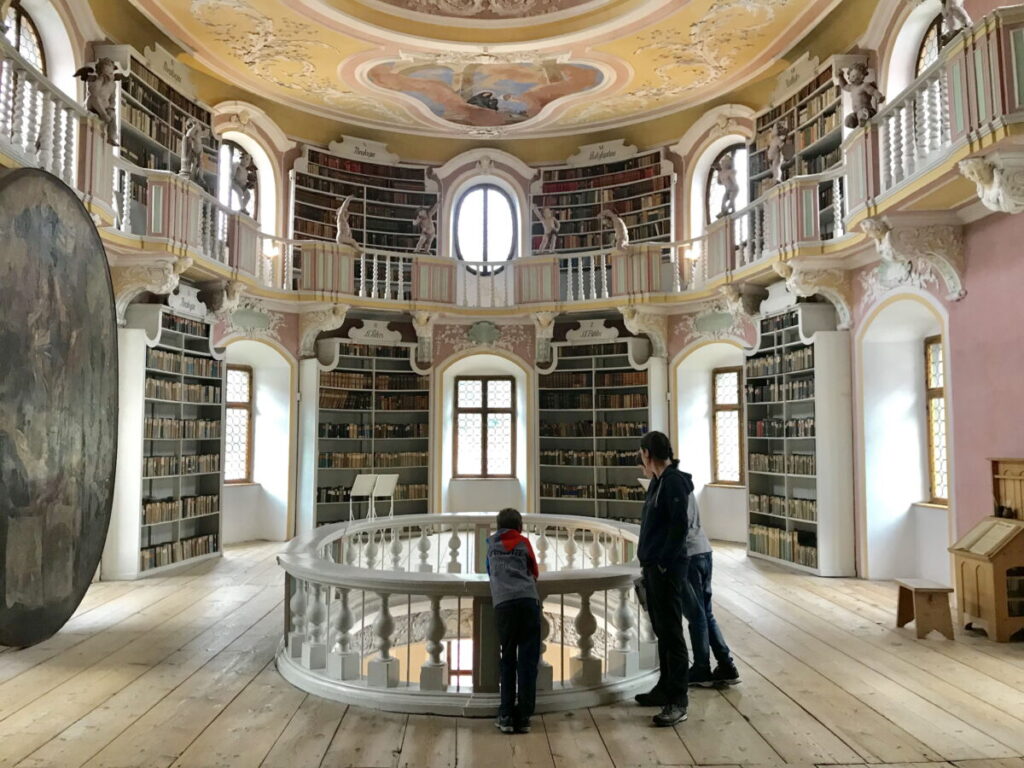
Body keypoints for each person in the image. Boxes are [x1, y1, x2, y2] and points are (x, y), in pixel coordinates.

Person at [635, 431, 691, 727]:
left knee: (671, 633)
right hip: (654, 567)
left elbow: (678, 526)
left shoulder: (673, 482)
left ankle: (678, 700)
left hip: (665, 570)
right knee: (661, 631)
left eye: (641, 454)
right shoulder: (658, 482)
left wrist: (664, 566)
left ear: (647, 453)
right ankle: (664, 688)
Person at [486, 507, 541, 735]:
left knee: (507, 658)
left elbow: (489, 572)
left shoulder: (491, 545)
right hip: (528, 602)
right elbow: (534, 571)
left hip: (504, 605)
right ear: (519, 526)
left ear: (498, 526)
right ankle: (525, 715)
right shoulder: (524, 542)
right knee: (528, 660)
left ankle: (506, 714)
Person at [680, 493, 741, 688]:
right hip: (703, 550)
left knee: (696, 616)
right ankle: (726, 665)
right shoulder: (685, 485)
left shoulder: (672, 486)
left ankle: (701, 668)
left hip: (690, 554)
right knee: (706, 613)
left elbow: (681, 525)